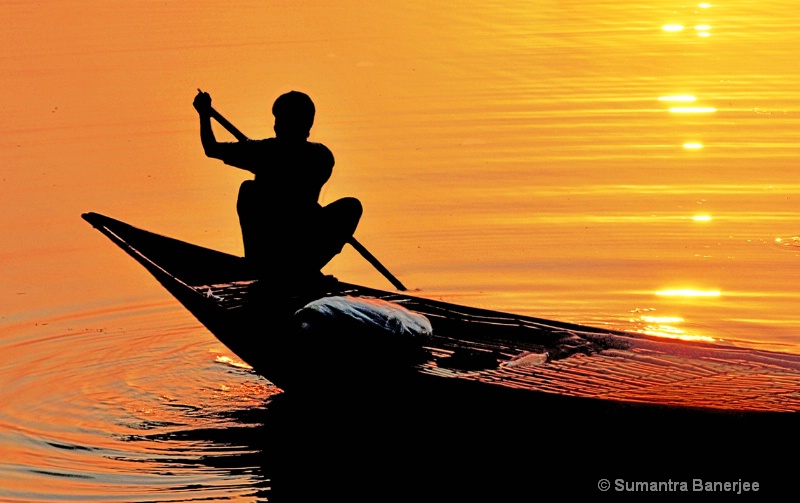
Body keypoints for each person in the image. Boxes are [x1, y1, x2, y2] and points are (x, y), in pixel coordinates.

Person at [192, 90, 362, 287]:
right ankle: (305, 268)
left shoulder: (264, 151)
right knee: (350, 206)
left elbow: (211, 148)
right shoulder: (323, 156)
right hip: (300, 238)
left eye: (279, 119)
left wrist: (204, 114)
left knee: (249, 190)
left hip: (283, 241)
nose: (275, 124)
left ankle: (262, 265)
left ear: (287, 122)